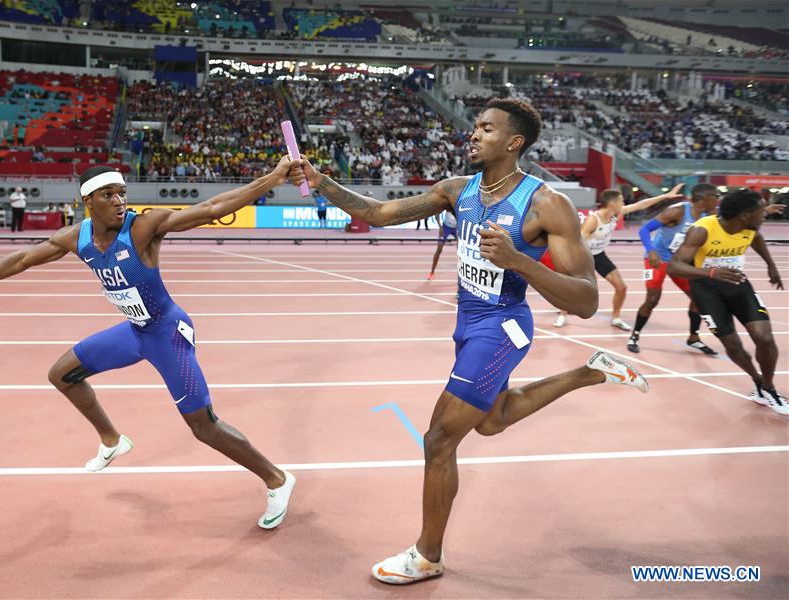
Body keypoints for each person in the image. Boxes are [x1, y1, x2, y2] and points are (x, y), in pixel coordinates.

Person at [289, 98, 649, 584]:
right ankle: (591, 371)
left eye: (486, 128)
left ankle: (426, 556)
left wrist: (521, 260)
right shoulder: (457, 190)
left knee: (439, 440)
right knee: (492, 421)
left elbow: (586, 300)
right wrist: (320, 181)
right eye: (475, 127)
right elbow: (377, 213)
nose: (473, 135)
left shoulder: (547, 205)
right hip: (467, 324)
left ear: (513, 142)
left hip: (503, 327)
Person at [0, 161, 299, 527]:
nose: (119, 201)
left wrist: (273, 179)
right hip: (134, 332)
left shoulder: (144, 227)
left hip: (166, 332)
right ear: (88, 201)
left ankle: (277, 480)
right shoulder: (77, 237)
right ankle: (112, 440)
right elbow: (21, 259)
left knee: (202, 425)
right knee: (62, 375)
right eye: (109, 195)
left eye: (122, 193)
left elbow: (213, 207)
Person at [667, 189, 786, 414]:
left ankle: (768, 387)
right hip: (706, 290)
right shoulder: (703, 230)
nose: (766, 215)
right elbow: (674, 266)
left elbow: (756, 239)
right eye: (761, 212)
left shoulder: (749, 227)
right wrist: (710, 273)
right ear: (743, 215)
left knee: (765, 339)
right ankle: (757, 380)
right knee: (733, 344)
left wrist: (771, 265)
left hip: (737, 284)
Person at [553, 185, 685, 329]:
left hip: (599, 255)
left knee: (621, 287)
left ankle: (616, 318)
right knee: (575, 288)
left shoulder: (617, 214)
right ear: (612, 203)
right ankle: (563, 314)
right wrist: (585, 268)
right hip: (583, 256)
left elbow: (642, 204)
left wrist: (666, 196)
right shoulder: (593, 220)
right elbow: (577, 244)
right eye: (621, 201)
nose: (623, 204)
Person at [627, 183, 721, 355]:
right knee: (653, 299)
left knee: (698, 299)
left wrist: (765, 210)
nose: (718, 199)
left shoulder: (709, 215)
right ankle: (634, 335)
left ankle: (694, 338)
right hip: (657, 259)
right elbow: (644, 230)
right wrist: (651, 251)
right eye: (716, 195)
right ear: (705, 198)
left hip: (679, 262)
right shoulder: (677, 211)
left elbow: (734, 217)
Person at [427, 209, 457, 281]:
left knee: (462, 251)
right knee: (439, 249)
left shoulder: (459, 202)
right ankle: (432, 272)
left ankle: (464, 275)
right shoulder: (448, 204)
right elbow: (437, 213)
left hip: (456, 228)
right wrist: (440, 227)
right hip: (445, 228)